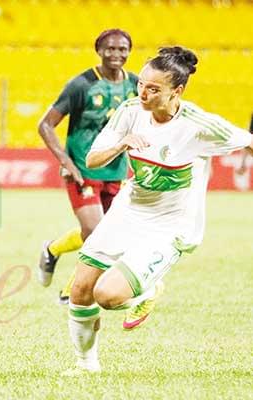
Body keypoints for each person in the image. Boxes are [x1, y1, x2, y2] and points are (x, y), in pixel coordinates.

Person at [64, 46, 253, 374]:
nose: (143, 93)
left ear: (176, 91)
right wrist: (123, 143)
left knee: (107, 295)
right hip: (129, 210)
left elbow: (247, 140)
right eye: (141, 85)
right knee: (80, 290)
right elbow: (92, 161)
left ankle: (148, 288)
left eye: (154, 89)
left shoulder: (199, 124)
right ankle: (86, 366)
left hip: (168, 225)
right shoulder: (130, 111)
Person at [36, 29, 156, 330]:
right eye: (110, 48)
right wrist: (66, 163)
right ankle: (70, 291)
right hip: (84, 169)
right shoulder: (81, 85)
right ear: (98, 50)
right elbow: (45, 125)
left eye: (123, 49)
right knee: (95, 231)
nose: (117, 54)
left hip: (117, 171)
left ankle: (52, 250)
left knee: (108, 233)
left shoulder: (134, 84)